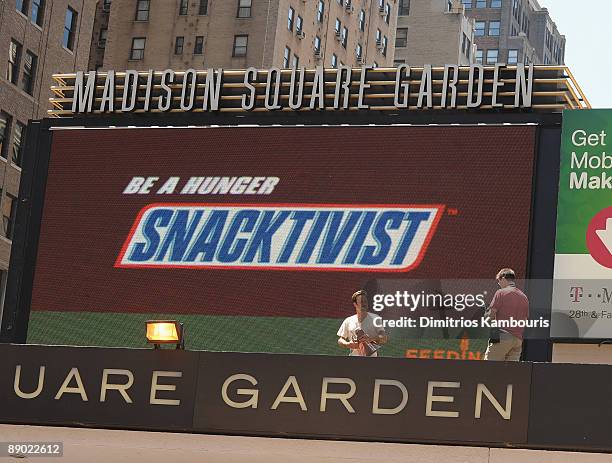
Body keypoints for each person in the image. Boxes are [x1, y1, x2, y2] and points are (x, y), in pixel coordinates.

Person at [484, 268, 529, 361]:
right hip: (518, 341)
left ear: (503, 278)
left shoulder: (501, 293)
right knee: (510, 373)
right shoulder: (524, 297)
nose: (498, 283)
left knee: (488, 369)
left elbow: (490, 316)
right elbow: (525, 320)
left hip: (503, 337)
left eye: (499, 280)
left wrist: (486, 315)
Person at [337, 290, 388, 356]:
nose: (364, 304)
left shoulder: (376, 318)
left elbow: (384, 338)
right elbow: (340, 340)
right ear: (355, 304)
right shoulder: (348, 320)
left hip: (372, 360)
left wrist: (370, 339)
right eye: (361, 302)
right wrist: (348, 344)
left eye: (365, 301)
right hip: (354, 361)